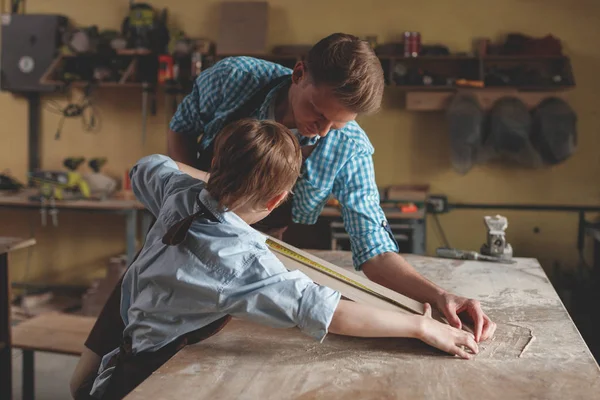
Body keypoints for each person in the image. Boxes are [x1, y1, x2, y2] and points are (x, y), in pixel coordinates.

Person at [71, 32, 496, 397]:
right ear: (299, 74)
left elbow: (374, 252)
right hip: (176, 236)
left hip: (225, 236)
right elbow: (181, 129)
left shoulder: (347, 150)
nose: (323, 130)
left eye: (338, 124)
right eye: (318, 113)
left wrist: (437, 297)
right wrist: (421, 328)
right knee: (82, 382)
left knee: (166, 378)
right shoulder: (233, 78)